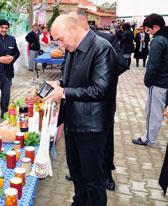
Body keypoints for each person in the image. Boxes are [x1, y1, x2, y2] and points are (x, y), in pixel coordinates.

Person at [47, 14, 118, 205]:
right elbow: (71, 81)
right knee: (76, 174)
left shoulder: (102, 48)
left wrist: (64, 92)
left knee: (93, 180)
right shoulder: (72, 50)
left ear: (73, 29)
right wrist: (59, 84)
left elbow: (100, 89)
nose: (60, 45)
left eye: (60, 39)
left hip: (91, 127)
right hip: (73, 122)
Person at [132, 14, 168, 147]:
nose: (149, 33)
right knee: (158, 112)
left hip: (158, 83)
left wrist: (148, 81)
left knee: (153, 112)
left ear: (156, 27)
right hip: (166, 82)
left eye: (149, 30)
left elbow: (153, 64)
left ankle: (149, 139)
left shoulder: (158, 40)